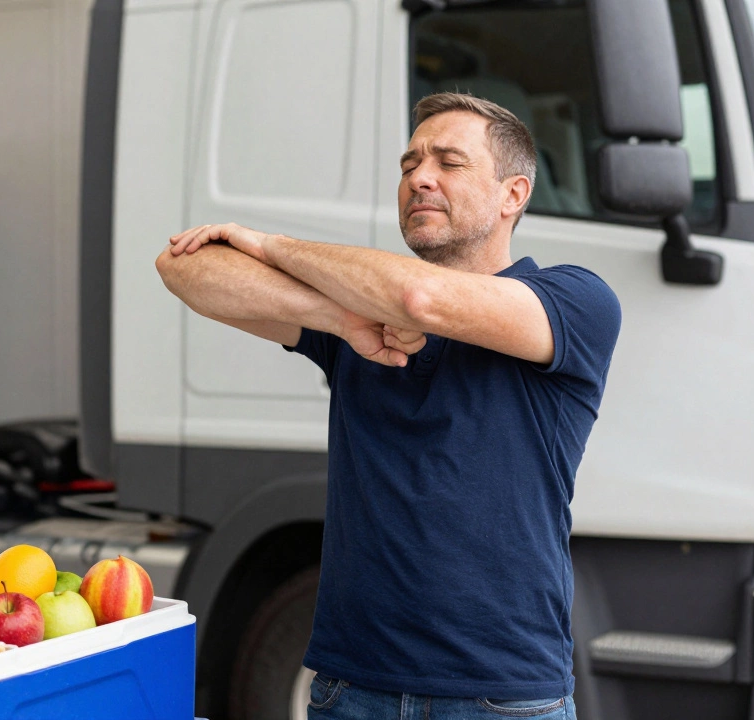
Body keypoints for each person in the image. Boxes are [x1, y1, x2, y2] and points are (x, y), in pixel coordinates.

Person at [155, 92, 621, 720]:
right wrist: (339, 318)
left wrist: (271, 244)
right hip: (351, 687)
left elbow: (422, 299)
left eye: (448, 162)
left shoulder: (573, 301)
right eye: (408, 165)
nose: (419, 178)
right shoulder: (362, 317)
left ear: (514, 194)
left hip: (502, 698)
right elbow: (184, 270)